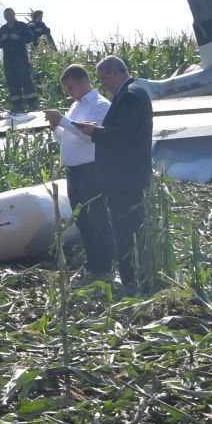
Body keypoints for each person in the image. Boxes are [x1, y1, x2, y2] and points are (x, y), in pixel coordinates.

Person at [72, 54, 154, 292]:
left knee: (126, 228)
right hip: (125, 176)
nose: (103, 82)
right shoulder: (131, 93)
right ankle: (133, 275)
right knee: (126, 227)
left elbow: (123, 135)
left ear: (116, 72)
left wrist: (94, 133)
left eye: (104, 77)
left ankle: (131, 278)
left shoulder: (130, 96)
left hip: (125, 177)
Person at [42, 64, 112, 281]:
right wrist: (56, 127)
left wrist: (62, 119)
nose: (69, 92)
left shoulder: (100, 105)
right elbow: (65, 138)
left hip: (91, 170)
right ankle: (92, 263)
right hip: (74, 172)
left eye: (71, 87)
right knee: (82, 220)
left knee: (97, 218)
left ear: (83, 81)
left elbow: (89, 134)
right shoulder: (75, 107)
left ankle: (105, 265)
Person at [0, 8, 35, 113]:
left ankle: (32, 103)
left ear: (13, 14)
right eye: (6, 15)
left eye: (10, 14)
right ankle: (17, 106)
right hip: (8, 59)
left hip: (21, 58)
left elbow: (30, 38)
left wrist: (18, 38)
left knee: (25, 80)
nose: (8, 17)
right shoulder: (3, 29)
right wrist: (2, 39)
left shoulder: (22, 25)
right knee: (12, 82)